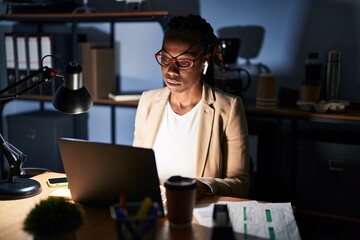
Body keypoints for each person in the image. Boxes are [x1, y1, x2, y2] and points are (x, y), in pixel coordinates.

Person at [133, 14, 250, 199]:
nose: (171, 71)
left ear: (205, 61)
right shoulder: (147, 101)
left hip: (195, 212)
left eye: (184, 62)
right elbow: (137, 169)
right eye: (165, 59)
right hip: (152, 208)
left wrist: (204, 186)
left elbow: (240, 183)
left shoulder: (228, 108)